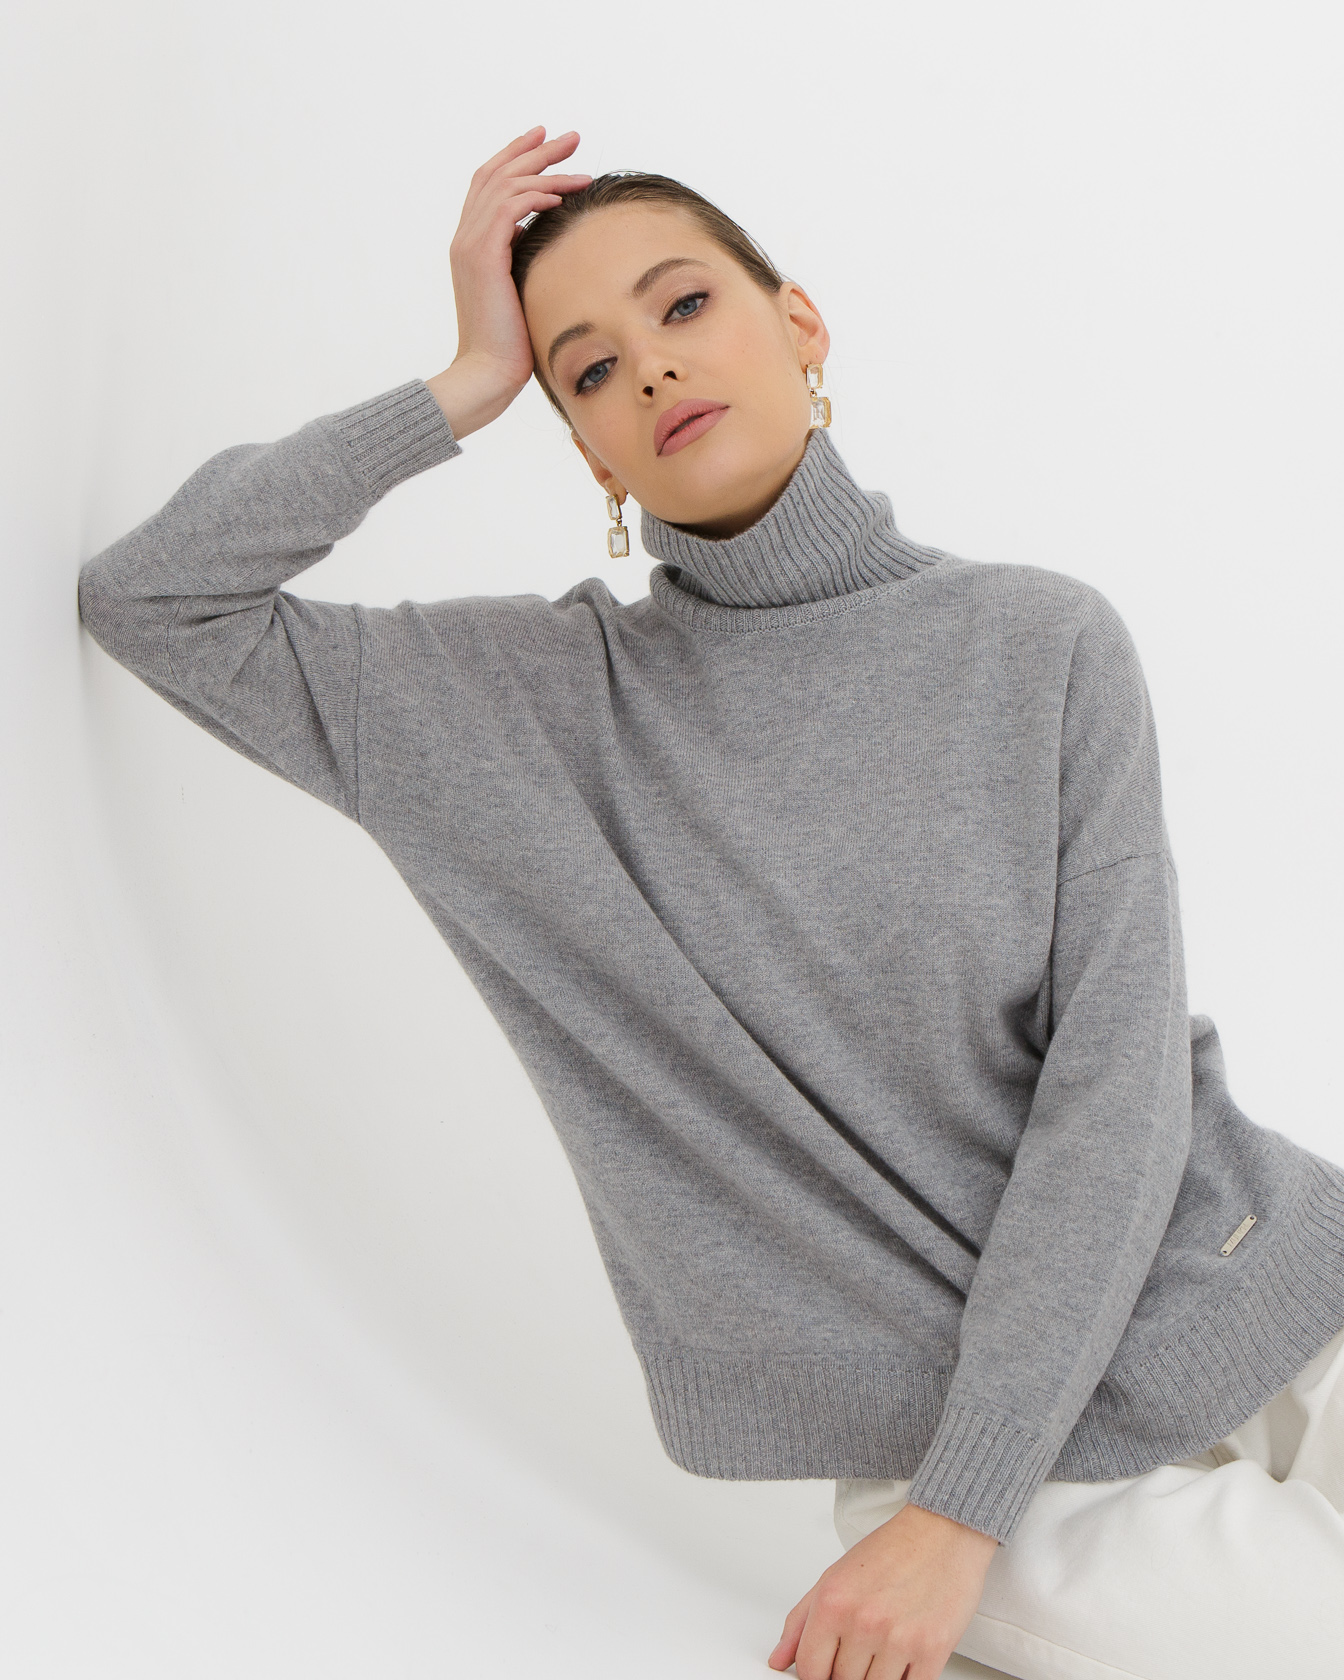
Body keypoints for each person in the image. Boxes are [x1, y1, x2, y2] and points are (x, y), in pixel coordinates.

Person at [77, 125, 1344, 1680]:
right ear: (589, 453)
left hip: (1262, 1280)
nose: (654, 369)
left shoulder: (1038, 641)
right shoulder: (522, 713)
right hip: (970, 1467)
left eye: (682, 306)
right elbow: (158, 598)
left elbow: (1118, 1088)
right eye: (589, 371)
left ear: (799, 323)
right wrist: (464, 383)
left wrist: (959, 1507)